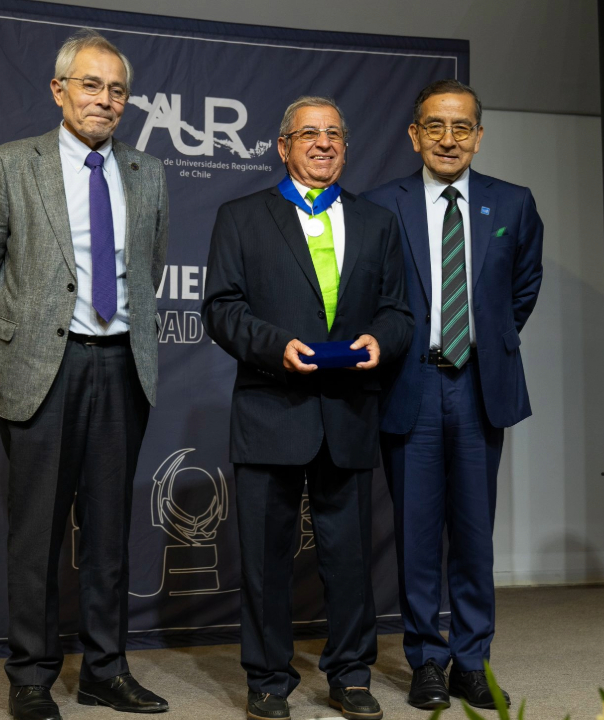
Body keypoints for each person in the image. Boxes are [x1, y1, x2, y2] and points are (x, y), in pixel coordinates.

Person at [0, 30, 170, 720]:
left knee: (109, 535)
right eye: (90, 85)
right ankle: (30, 676)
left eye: (117, 90)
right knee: (37, 535)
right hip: (41, 369)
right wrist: (30, 330)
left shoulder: (148, 172)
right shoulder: (9, 165)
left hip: (122, 366)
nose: (104, 99)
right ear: (59, 91)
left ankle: (105, 671)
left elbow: (149, 269)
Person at [202, 96, 413, 720]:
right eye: (309, 134)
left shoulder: (377, 222)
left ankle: (351, 675)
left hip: (348, 413)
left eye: (334, 135)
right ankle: (268, 679)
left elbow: (398, 312)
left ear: (346, 146)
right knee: (266, 561)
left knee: (349, 559)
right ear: (283, 146)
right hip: (271, 408)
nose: (323, 144)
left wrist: (382, 340)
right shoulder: (241, 217)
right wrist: (276, 348)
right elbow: (221, 308)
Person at [362, 79, 544, 711]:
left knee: (473, 534)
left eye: (461, 127)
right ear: (414, 135)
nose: (448, 139)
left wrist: (484, 341)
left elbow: (523, 288)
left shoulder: (513, 203)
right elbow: (370, 294)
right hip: (409, 385)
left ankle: (471, 660)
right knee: (416, 535)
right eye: (435, 126)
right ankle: (426, 660)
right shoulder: (380, 205)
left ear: (479, 136)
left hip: (478, 388)